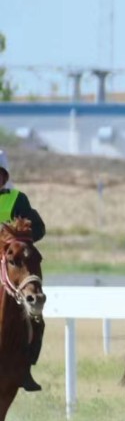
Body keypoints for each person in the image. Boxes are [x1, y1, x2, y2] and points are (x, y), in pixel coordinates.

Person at [0, 149, 46, 392]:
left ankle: (24, 368)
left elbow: (37, 228)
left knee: (36, 318)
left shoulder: (17, 199)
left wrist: (18, 238)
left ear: (5, 176)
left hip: (10, 266)